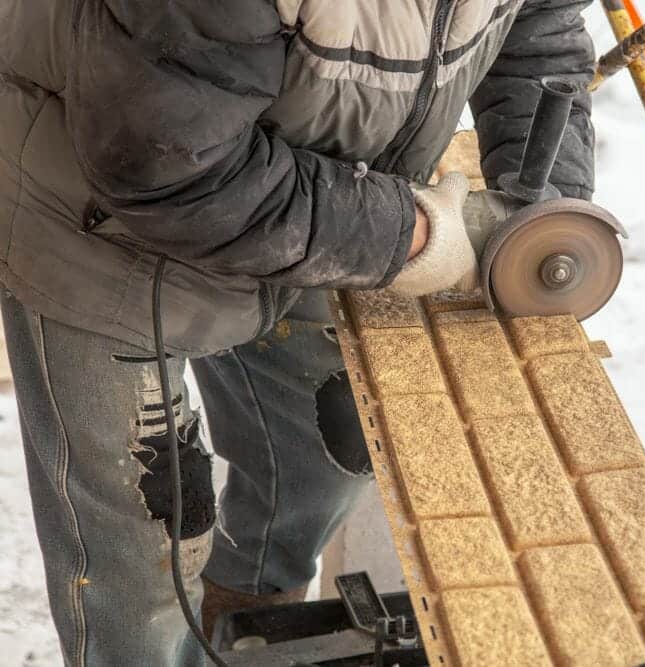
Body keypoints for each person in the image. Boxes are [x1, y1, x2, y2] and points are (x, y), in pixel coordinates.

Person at [0, 1, 596, 664]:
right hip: (96, 222)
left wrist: (543, 195)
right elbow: (166, 161)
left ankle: (242, 628)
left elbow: (538, 27)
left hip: (317, 198)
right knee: (151, 541)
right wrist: (411, 235)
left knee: (324, 446)